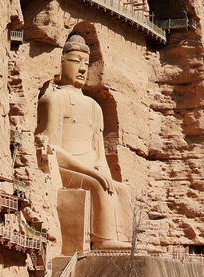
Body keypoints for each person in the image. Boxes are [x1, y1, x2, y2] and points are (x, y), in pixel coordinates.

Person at [35, 34, 133, 250]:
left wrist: (101, 170)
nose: (81, 69)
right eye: (75, 61)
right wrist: (93, 173)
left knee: (123, 190)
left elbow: (98, 153)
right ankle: (103, 241)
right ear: (61, 63)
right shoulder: (54, 99)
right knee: (97, 185)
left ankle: (126, 241)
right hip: (67, 169)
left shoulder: (94, 107)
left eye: (86, 64)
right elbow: (52, 149)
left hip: (90, 169)